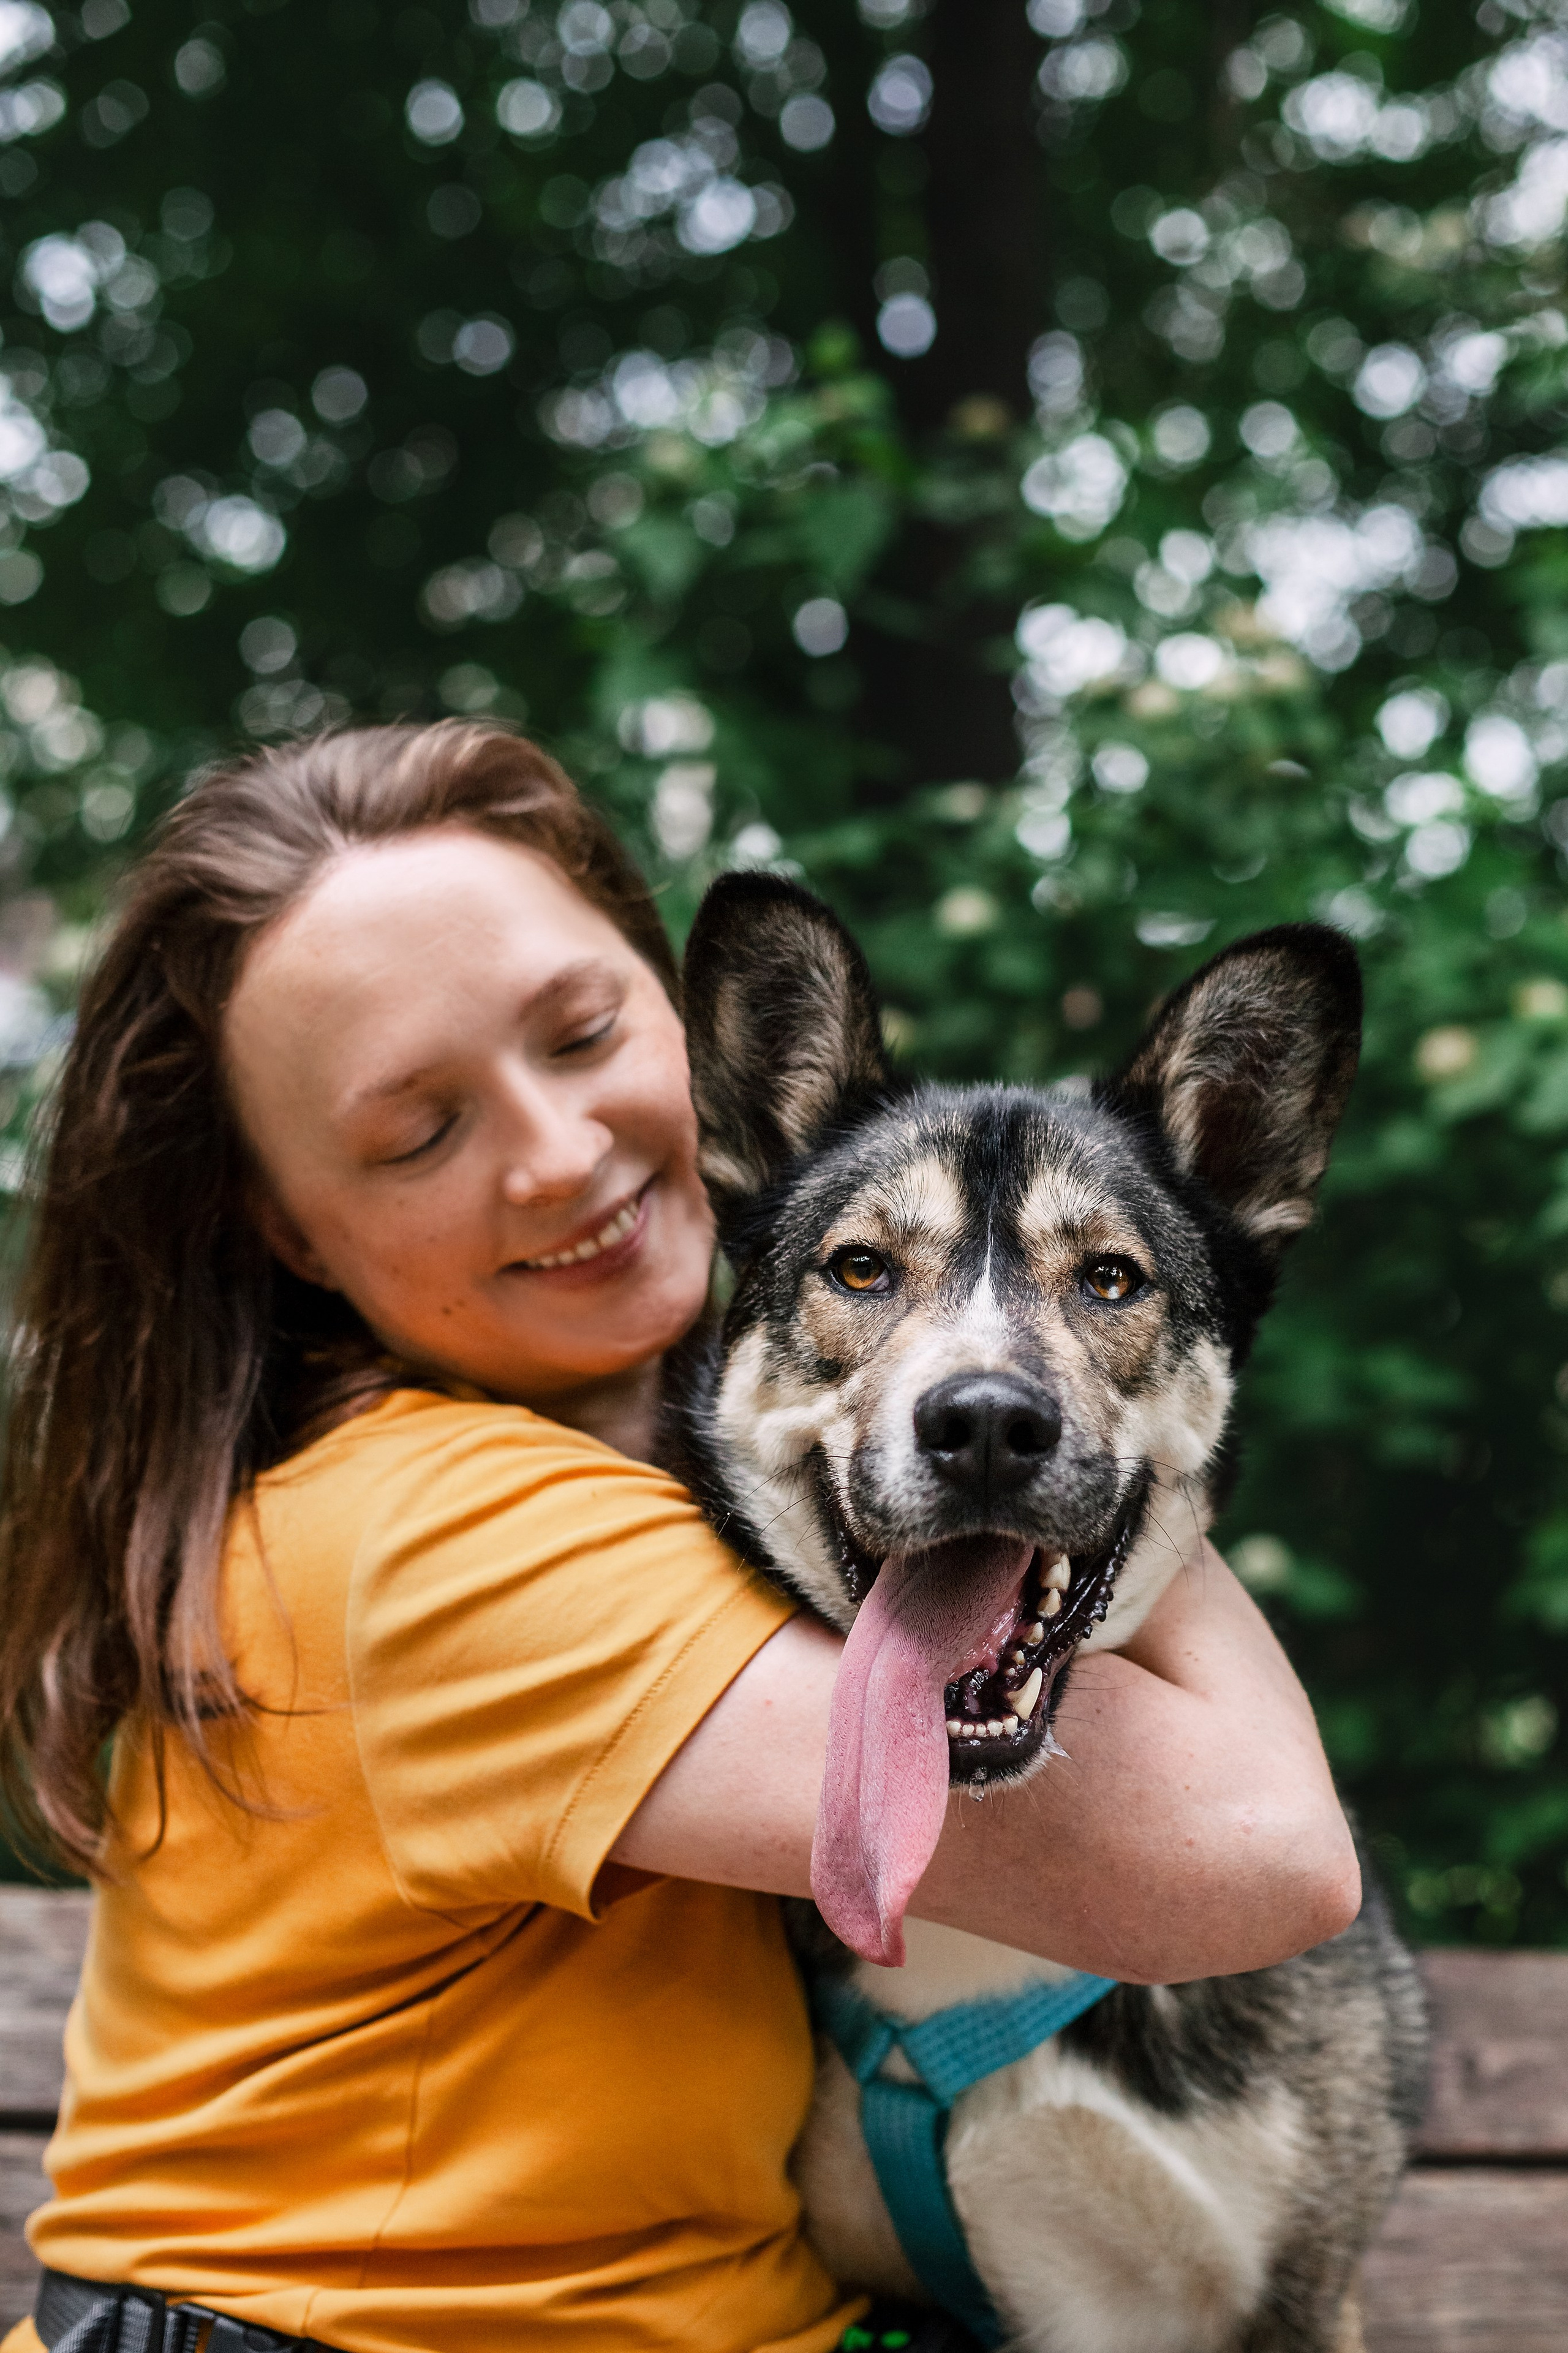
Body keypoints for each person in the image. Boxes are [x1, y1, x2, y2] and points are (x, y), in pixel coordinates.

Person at [0, 723, 1359, 2353]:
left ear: (683, 1025)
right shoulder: (449, 1542)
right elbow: (1266, 1857)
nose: (563, 1149)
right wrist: (1090, 1430)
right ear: (286, 1222)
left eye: (581, 1032)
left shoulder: (693, 1506)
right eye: (420, 1129)